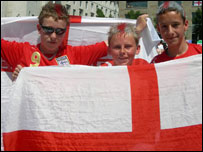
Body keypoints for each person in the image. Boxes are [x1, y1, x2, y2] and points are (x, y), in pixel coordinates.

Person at [1, 2, 147, 80]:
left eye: (59, 31)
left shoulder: (75, 54)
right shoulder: (22, 51)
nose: (53, 36)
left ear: (65, 32)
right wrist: (19, 78)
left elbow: (115, 43)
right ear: (39, 29)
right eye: (48, 30)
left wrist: (138, 29)